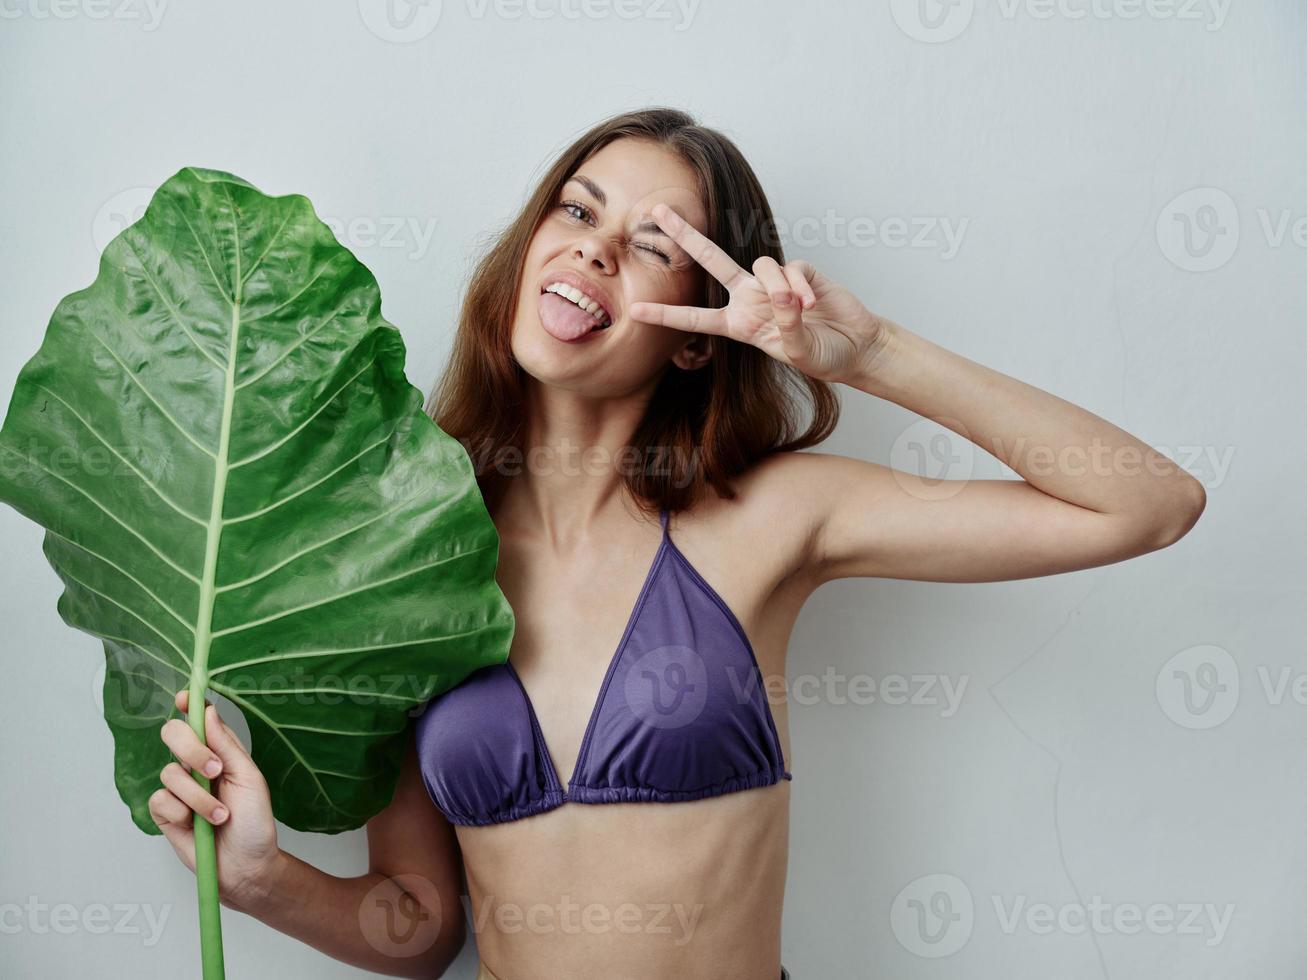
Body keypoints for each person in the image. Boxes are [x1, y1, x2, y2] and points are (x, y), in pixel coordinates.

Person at [149, 107, 1206, 979]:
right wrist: (259, 878)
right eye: (575, 208)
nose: (595, 248)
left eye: (653, 243)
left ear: (704, 327)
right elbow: (422, 925)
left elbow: (1141, 505)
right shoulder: (411, 556)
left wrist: (871, 352)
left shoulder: (774, 515)